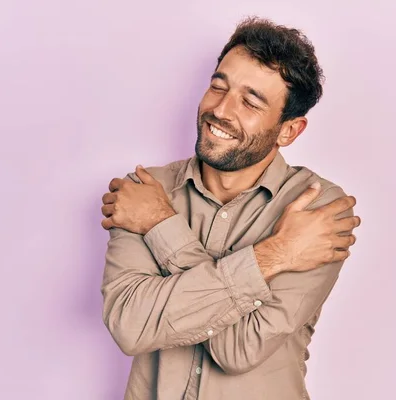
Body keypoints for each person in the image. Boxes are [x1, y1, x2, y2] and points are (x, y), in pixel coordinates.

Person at [99, 17, 361, 400]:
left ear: (289, 130)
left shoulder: (319, 211)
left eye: (251, 102)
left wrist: (161, 225)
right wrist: (276, 255)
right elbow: (130, 326)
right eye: (218, 87)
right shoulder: (145, 190)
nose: (221, 110)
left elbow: (238, 349)